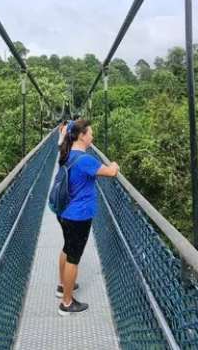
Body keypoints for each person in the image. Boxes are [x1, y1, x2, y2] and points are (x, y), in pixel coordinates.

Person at [55, 118, 119, 315]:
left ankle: (62, 285)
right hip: (78, 216)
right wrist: (115, 165)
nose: (93, 136)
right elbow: (110, 172)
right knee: (74, 258)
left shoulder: (66, 154)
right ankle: (67, 303)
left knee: (67, 248)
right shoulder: (86, 160)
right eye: (90, 133)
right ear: (82, 136)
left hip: (64, 211)